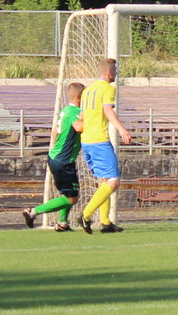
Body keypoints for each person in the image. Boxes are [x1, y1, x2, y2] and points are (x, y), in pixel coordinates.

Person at [77, 58, 135, 233]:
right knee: (113, 181)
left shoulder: (87, 91)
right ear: (110, 73)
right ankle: (85, 215)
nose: (116, 74)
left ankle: (105, 222)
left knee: (104, 180)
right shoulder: (108, 89)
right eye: (115, 71)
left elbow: (81, 116)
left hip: (86, 140)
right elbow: (107, 109)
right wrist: (122, 129)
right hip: (99, 140)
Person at [25, 82, 84, 231]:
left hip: (58, 157)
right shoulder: (74, 112)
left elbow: (55, 133)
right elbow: (79, 127)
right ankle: (32, 212)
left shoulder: (66, 110)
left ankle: (63, 223)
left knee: (67, 193)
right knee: (72, 198)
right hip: (62, 160)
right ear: (79, 97)